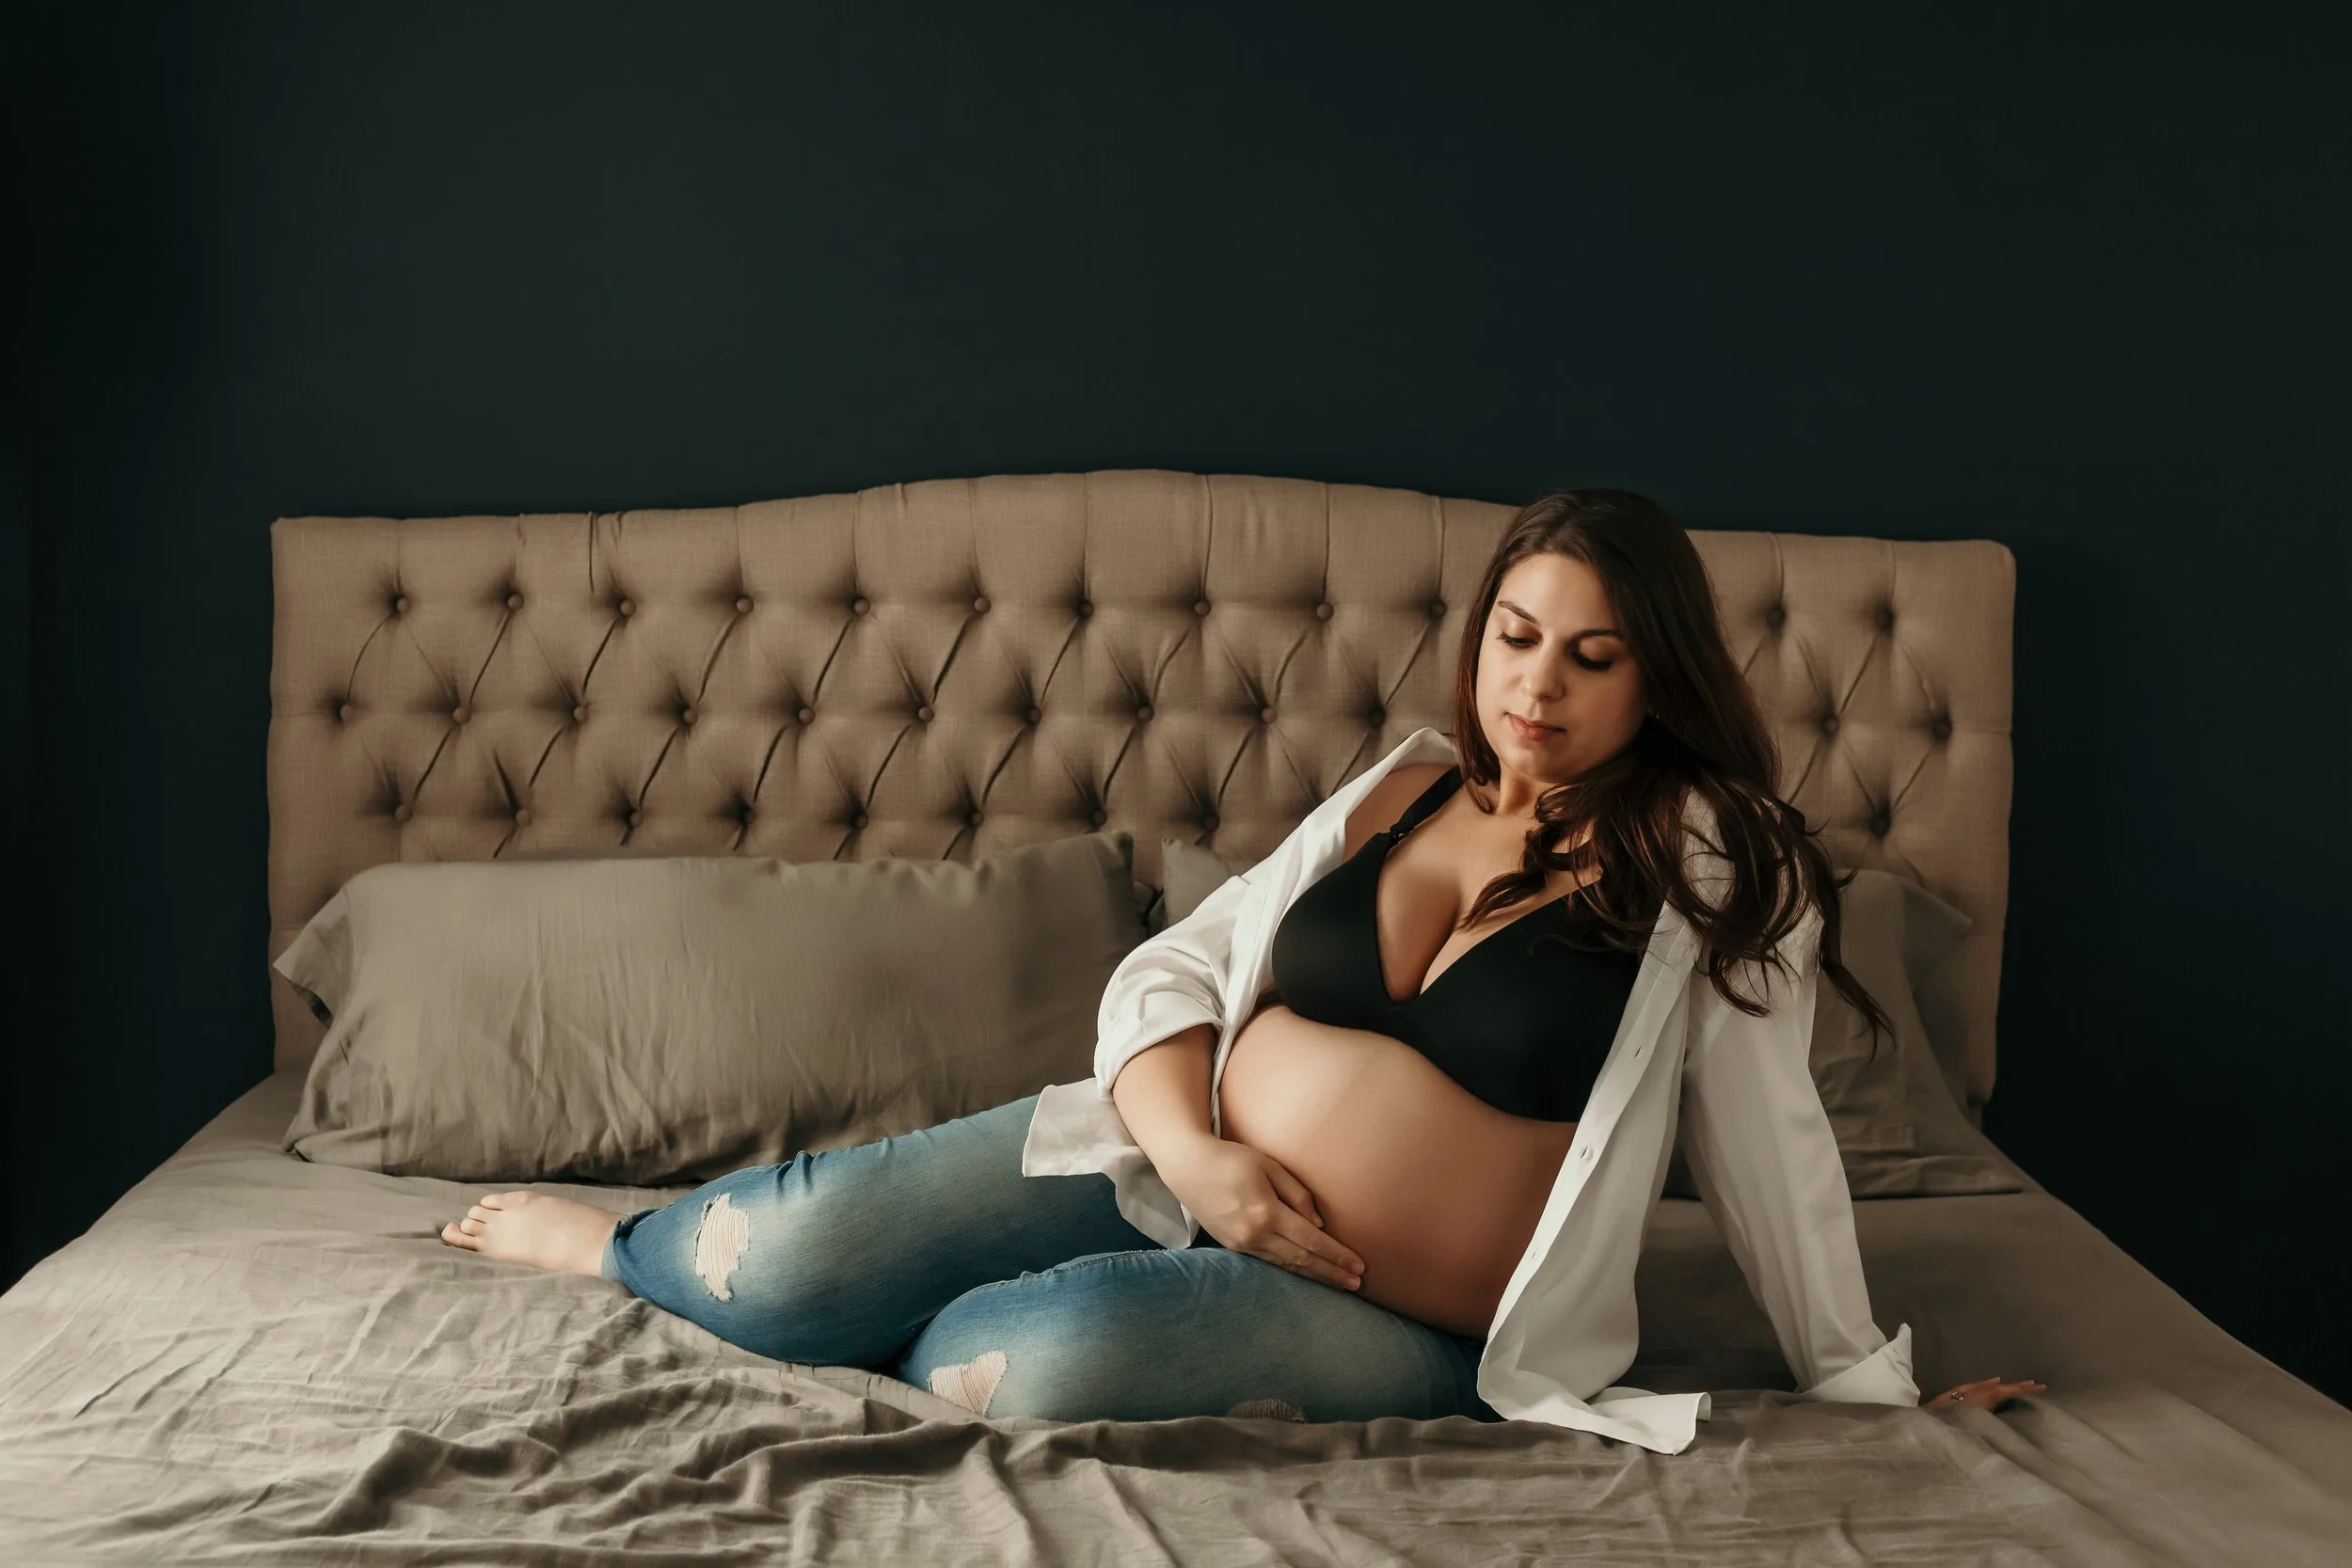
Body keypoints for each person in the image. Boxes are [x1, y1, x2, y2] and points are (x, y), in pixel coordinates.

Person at [440, 487, 2043, 1440]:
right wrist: (1200, 1154)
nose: (1536, 685)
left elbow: (1771, 1144)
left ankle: (908, 1314)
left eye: (1591, 655)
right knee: (788, 1258)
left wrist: (1861, 1385)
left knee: (1035, 1361)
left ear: (1659, 676)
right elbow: (1169, 980)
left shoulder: (1712, 862)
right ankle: (624, 1250)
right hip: (1168, 1166)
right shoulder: (1402, 787)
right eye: (1515, 635)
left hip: (1412, 1322)